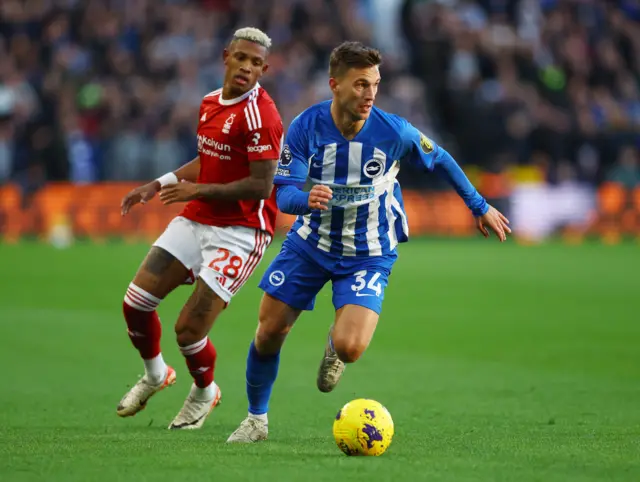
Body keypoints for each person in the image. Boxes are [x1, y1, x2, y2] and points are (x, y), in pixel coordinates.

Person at [226, 41, 510, 443]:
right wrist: (305, 200)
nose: (370, 93)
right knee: (269, 331)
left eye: (375, 84)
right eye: (361, 84)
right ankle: (257, 420)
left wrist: (479, 206)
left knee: (351, 348)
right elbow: (283, 191)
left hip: (369, 250)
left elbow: (441, 157)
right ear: (335, 85)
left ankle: (334, 344)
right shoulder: (306, 126)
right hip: (311, 244)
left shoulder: (393, 131)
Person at [117, 27, 283, 430]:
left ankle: (206, 391)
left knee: (188, 329)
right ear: (226, 56)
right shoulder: (210, 102)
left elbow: (261, 186)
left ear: (265, 69)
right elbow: (206, 159)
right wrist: (159, 183)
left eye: (256, 63)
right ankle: (156, 375)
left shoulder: (263, 116)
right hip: (198, 217)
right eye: (241, 58)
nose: (246, 68)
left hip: (241, 231)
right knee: (135, 302)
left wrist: (196, 189)